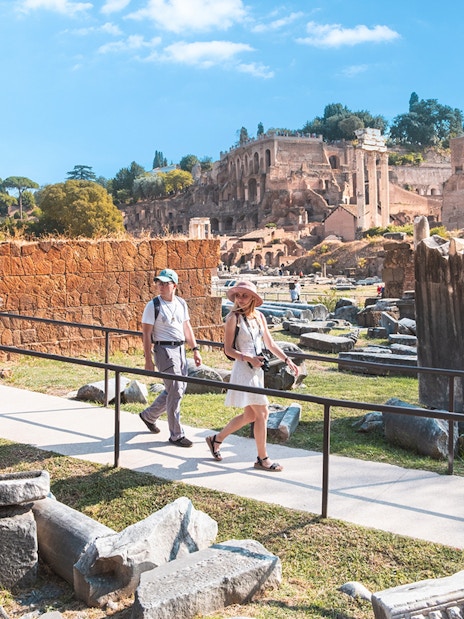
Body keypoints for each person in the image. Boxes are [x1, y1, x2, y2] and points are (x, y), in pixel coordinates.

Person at [206, 281, 299, 471]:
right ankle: (262, 458)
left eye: (245, 295)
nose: (240, 299)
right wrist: (248, 357)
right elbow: (228, 349)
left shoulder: (259, 317)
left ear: (253, 298)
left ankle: (216, 439)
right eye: (238, 295)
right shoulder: (233, 318)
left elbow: (270, 344)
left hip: (257, 370)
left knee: (250, 415)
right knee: (263, 413)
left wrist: (288, 360)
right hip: (244, 370)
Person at [139, 268, 202, 447]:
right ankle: (176, 434)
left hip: (180, 349)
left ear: (174, 285)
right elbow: (146, 334)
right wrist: (148, 360)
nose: (161, 286)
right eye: (159, 283)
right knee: (175, 391)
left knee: (176, 389)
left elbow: (186, 327)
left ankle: (149, 415)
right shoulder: (153, 305)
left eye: (165, 283)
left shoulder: (181, 303)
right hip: (164, 350)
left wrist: (195, 349)